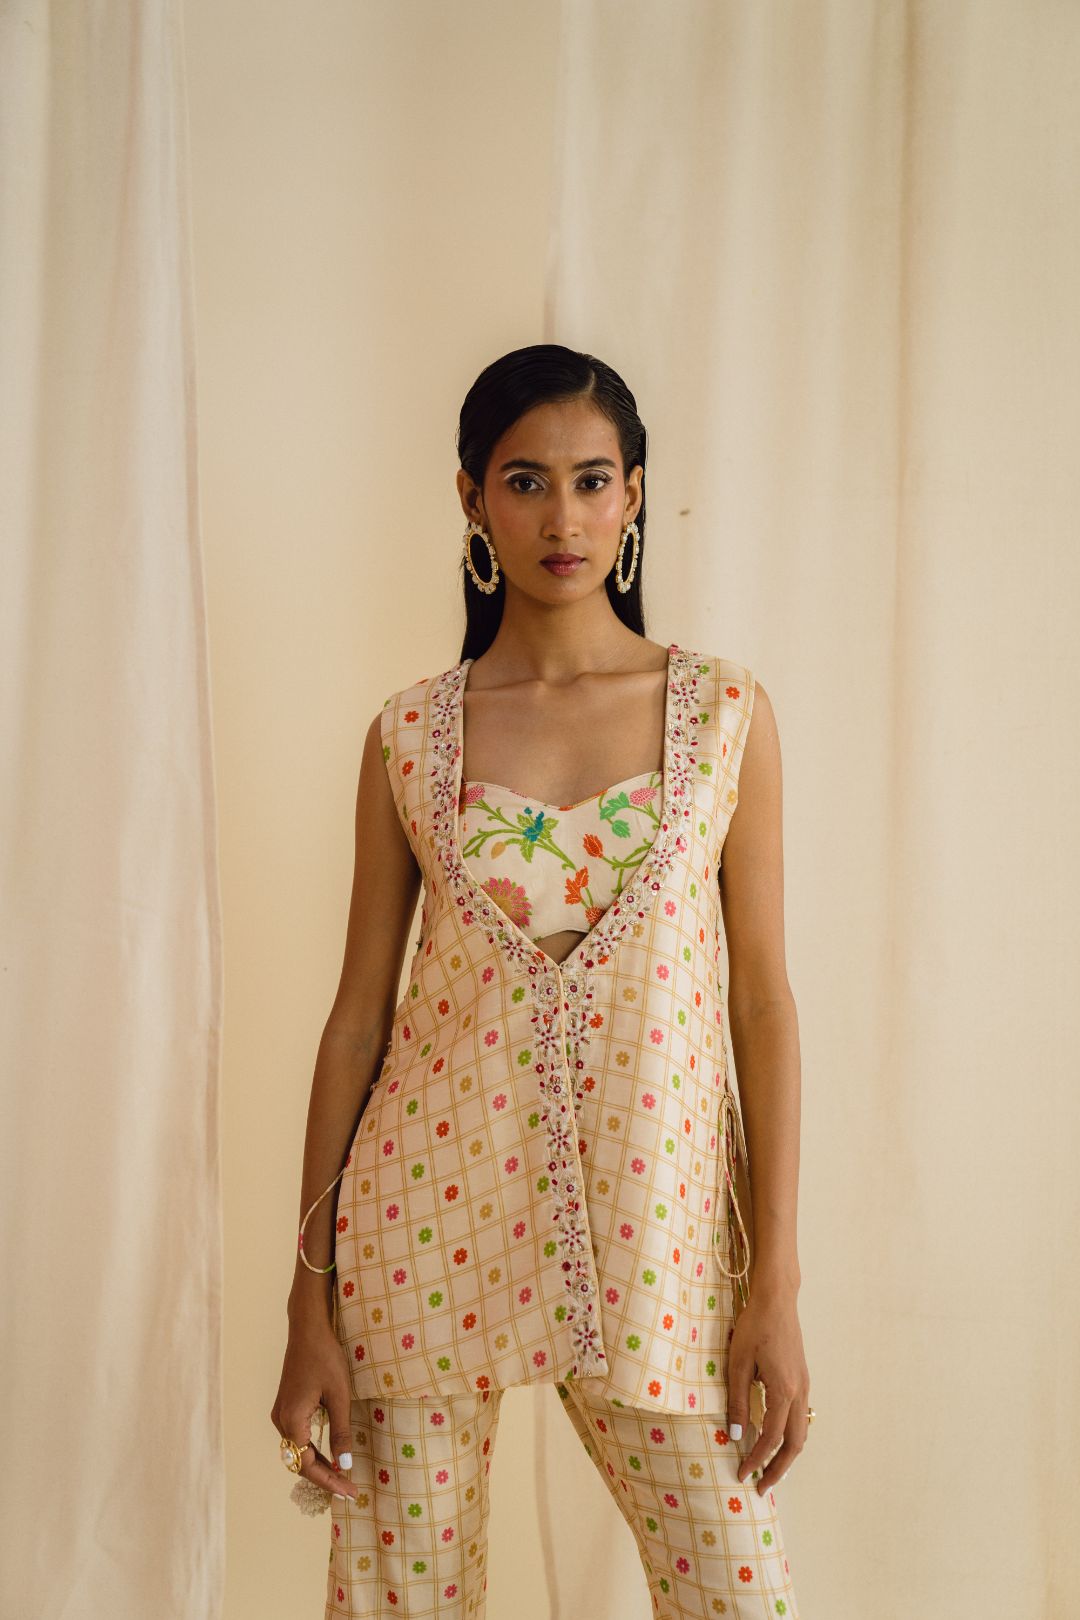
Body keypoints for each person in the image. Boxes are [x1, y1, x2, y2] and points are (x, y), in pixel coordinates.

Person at [271, 344, 811, 1618]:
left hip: (657, 1228)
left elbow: (762, 1003)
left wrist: (775, 1285)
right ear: (472, 497)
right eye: (524, 482)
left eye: (590, 480)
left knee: (737, 1587)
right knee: (402, 1601)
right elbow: (355, 1024)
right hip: (417, 1228)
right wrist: (309, 1307)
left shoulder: (724, 714)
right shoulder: (411, 733)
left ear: (634, 495)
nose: (561, 517)